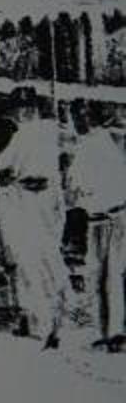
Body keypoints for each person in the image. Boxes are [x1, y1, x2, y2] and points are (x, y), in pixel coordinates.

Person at [0, 84, 73, 349]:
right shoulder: (45, 132)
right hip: (40, 200)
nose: (17, 114)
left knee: (36, 261)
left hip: (33, 201)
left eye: (20, 109)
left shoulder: (32, 134)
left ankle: (49, 324)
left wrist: (10, 179)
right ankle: (31, 318)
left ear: (28, 109)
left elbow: (5, 173)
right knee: (33, 260)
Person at [67, 111, 126, 355]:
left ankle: (115, 332)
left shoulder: (106, 142)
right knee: (100, 276)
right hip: (98, 219)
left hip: (114, 217)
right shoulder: (87, 146)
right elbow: (75, 189)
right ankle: (105, 332)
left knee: (113, 275)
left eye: (80, 116)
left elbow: (78, 187)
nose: (78, 122)